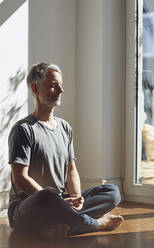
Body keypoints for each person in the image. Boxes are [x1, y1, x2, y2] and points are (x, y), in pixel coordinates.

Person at [8, 62, 124, 238]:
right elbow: (20, 178)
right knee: (47, 196)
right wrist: (56, 202)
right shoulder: (24, 129)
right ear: (35, 88)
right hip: (29, 207)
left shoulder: (64, 127)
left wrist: (76, 197)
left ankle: (57, 225)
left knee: (112, 192)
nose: (60, 91)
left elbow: (71, 169)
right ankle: (94, 224)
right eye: (54, 86)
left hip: (61, 201)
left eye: (61, 86)